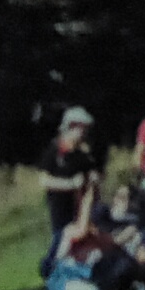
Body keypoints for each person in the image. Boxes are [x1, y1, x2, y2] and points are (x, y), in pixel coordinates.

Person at [36, 105, 98, 272]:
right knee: (60, 238)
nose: (84, 133)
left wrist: (93, 181)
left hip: (78, 207)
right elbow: (44, 180)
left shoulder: (82, 156)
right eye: (81, 128)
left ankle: (66, 269)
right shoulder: (54, 152)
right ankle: (49, 267)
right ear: (70, 126)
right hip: (59, 206)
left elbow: (91, 176)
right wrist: (69, 184)